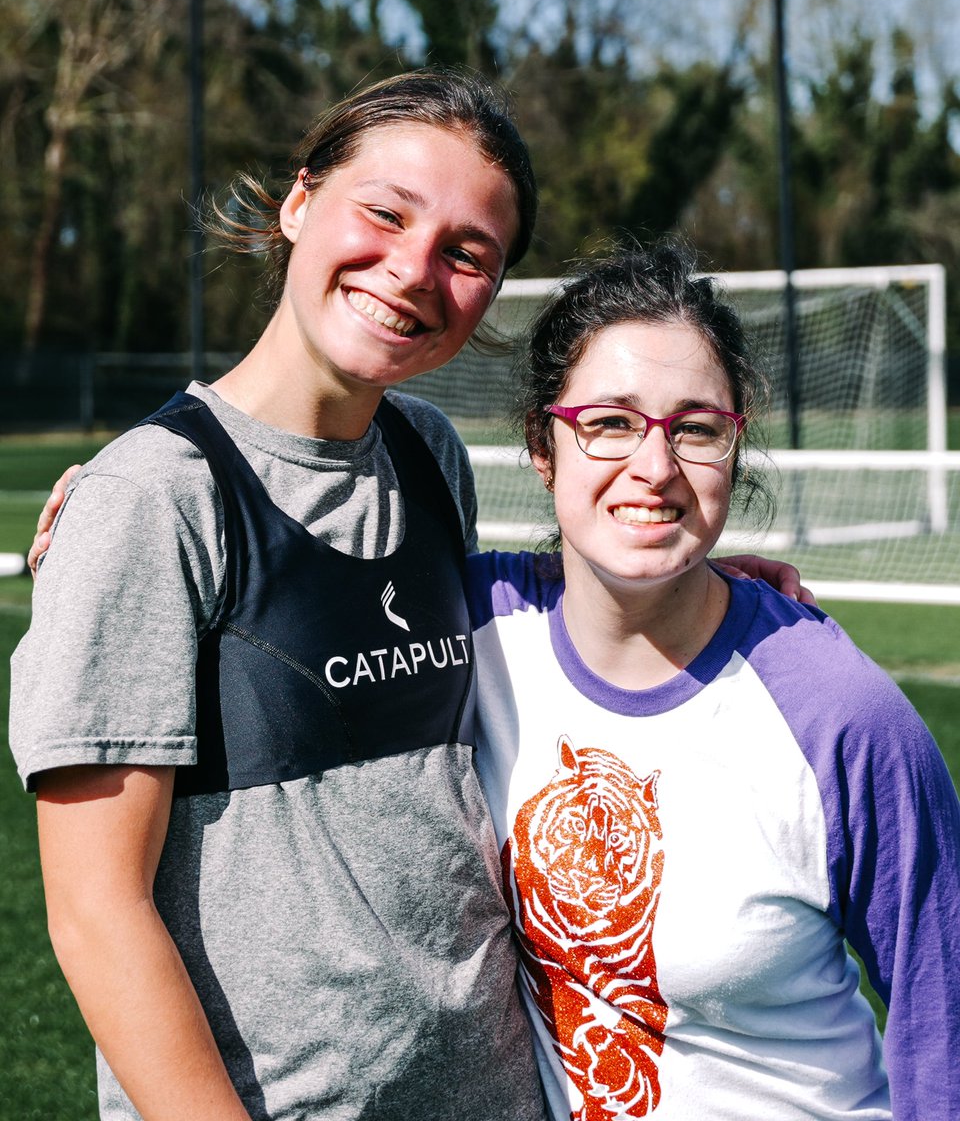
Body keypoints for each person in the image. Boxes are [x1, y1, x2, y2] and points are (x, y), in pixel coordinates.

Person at [11, 70, 806, 1120]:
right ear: (299, 204)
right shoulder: (152, 498)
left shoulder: (428, 454)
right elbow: (95, 912)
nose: (412, 269)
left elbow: (476, 614)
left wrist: (687, 585)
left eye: (466, 253)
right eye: (384, 213)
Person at [465, 243, 960, 1121]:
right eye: (610, 423)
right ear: (545, 445)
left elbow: (944, 1032)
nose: (654, 470)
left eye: (694, 428)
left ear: (735, 445)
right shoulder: (470, 625)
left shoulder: (840, 718)